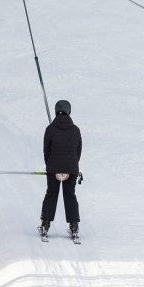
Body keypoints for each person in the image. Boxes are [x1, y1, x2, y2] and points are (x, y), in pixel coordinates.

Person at [39, 100, 82, 240]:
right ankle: (74, 225)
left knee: (51, 194)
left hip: (53, 168)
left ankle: (45, 224)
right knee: (70, 194)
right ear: (69, 111)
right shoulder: (75, 130)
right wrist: (72, 165)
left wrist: (51, 165)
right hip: (71, 168)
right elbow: (78, 151)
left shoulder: (50, 129)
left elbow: (46, 151)